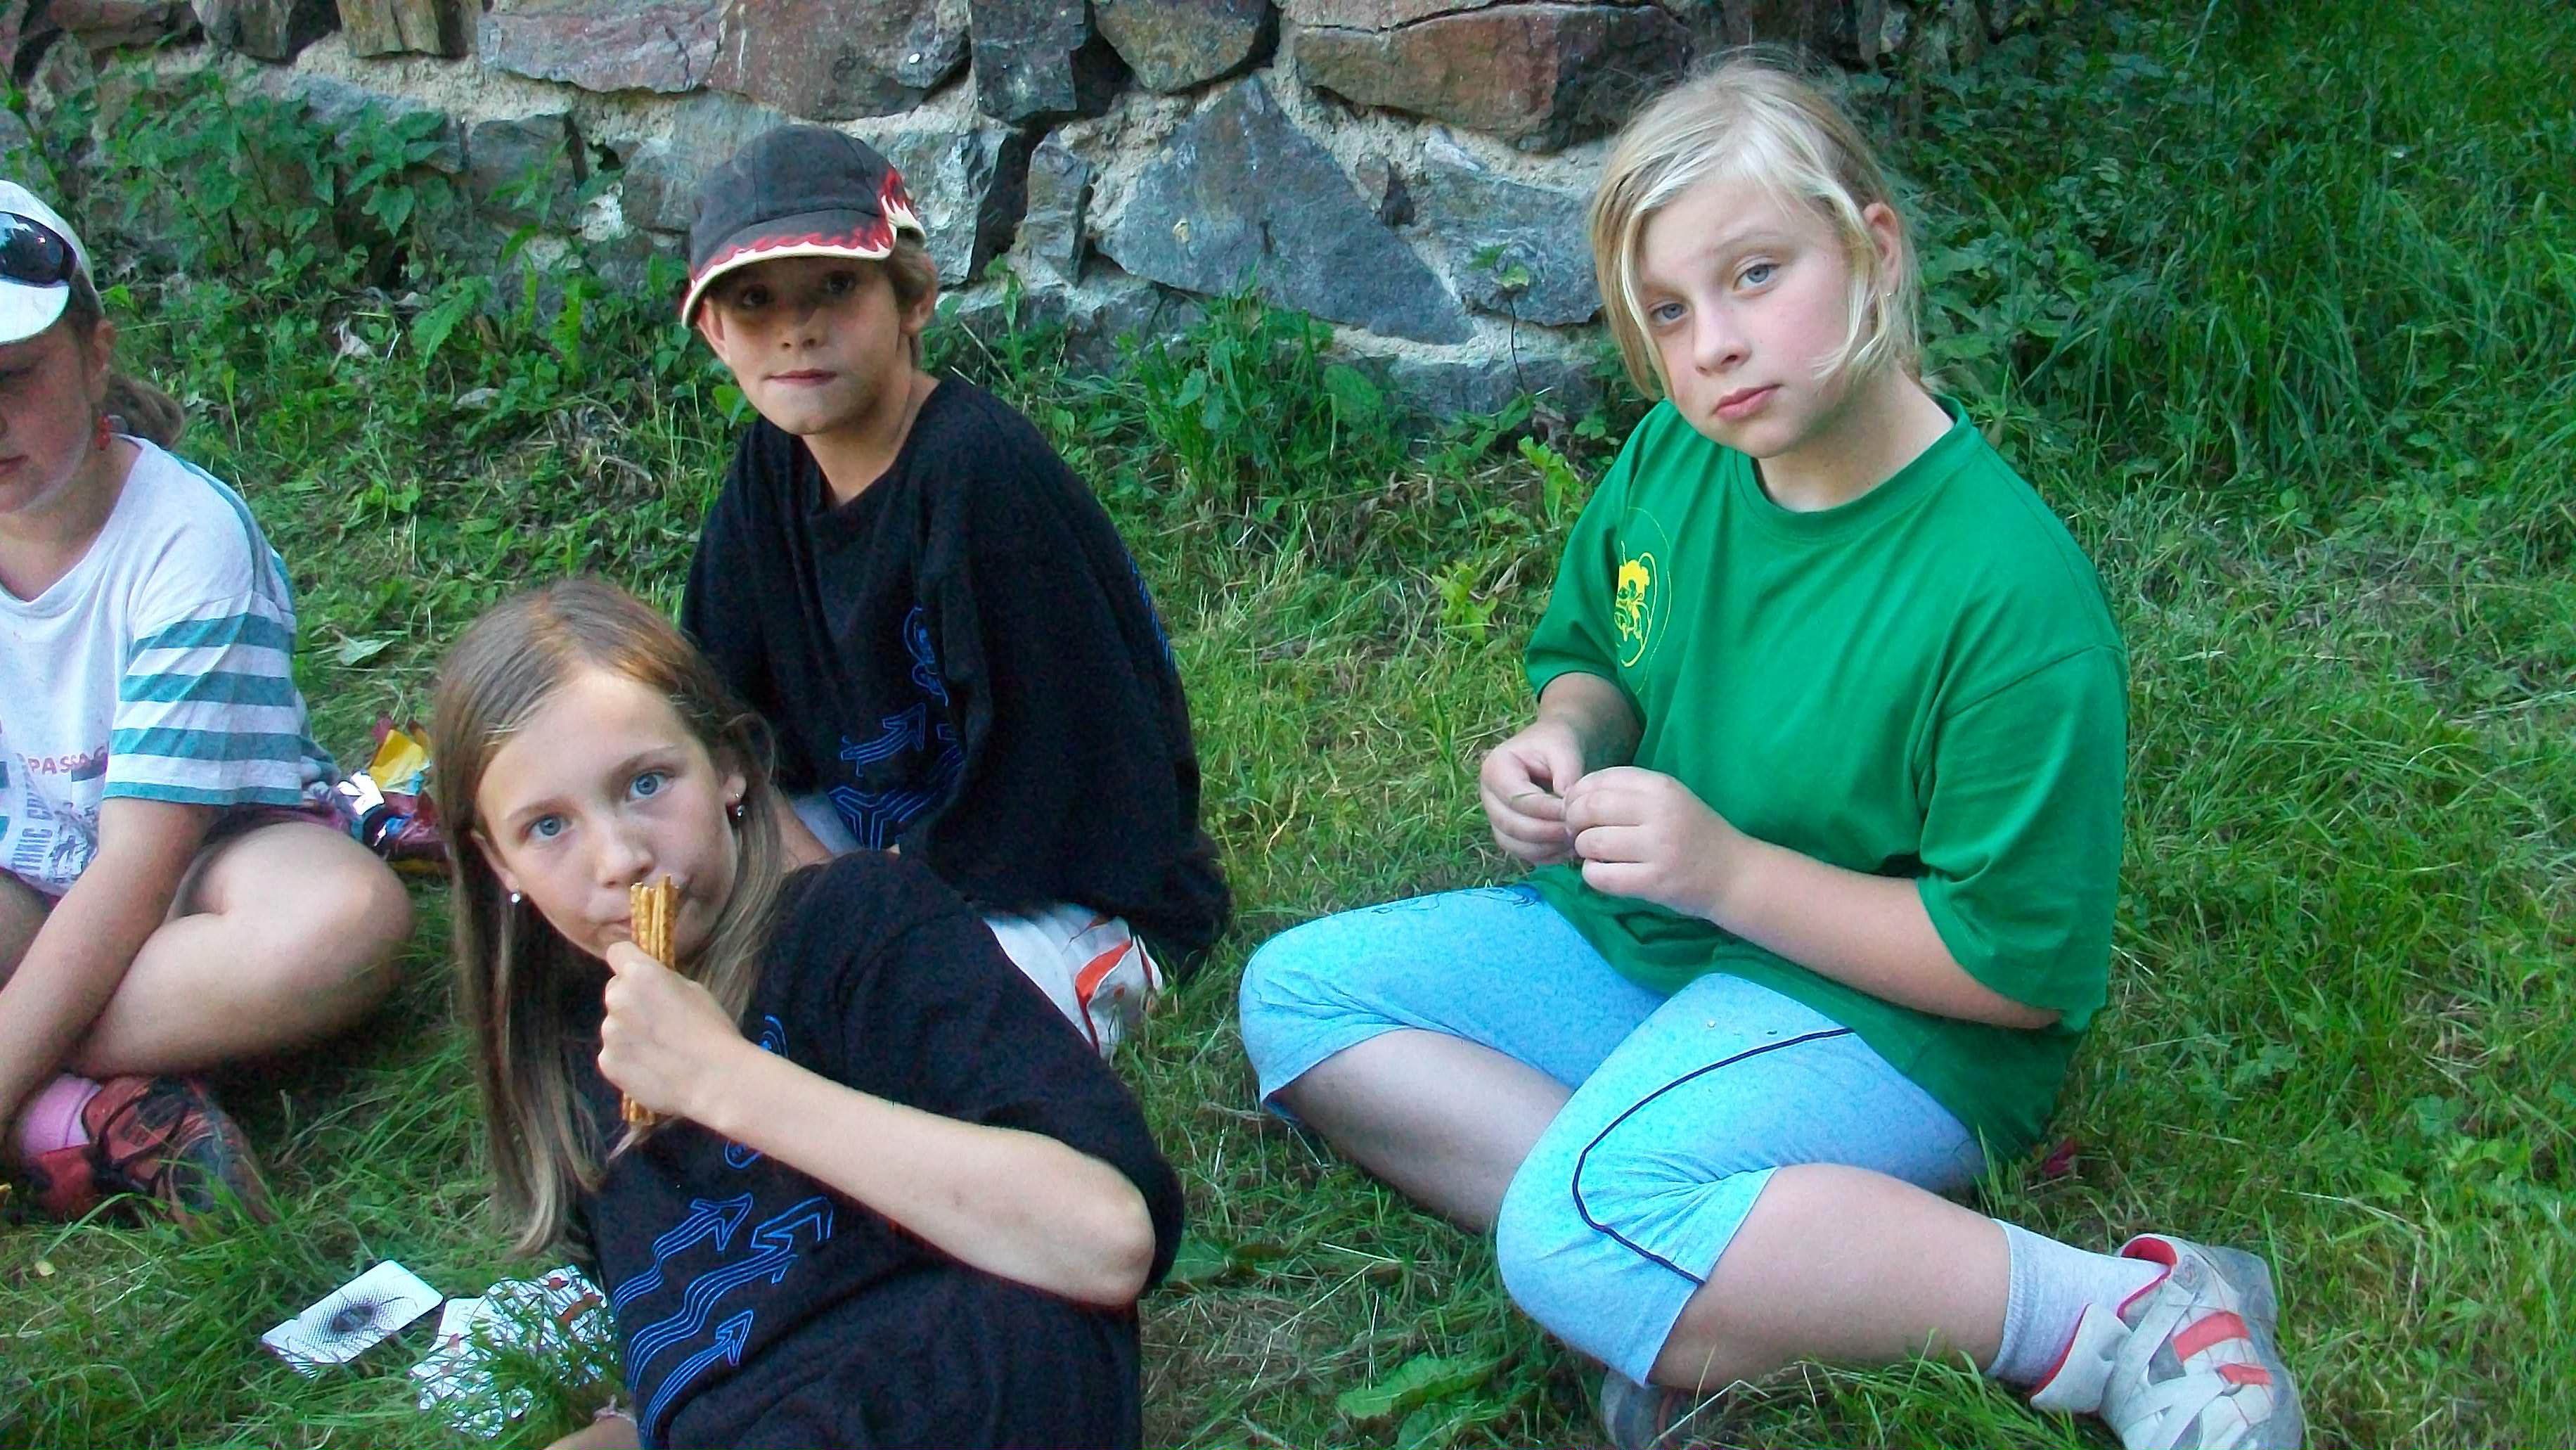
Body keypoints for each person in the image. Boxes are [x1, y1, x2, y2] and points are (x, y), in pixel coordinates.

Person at [1237, 56, 2300, 1450]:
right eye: (1668, 311)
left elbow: (2009, 974)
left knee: (1569, 1220)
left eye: (1753, 275)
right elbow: (1595, 653)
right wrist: (1560, 736)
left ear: (1871, 253)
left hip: (1894, 1024)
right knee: (1296, 997)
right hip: (1661, 951)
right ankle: (1715, 1264)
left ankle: (2119, 1310)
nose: (1713, 347)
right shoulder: (1675, 464)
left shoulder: (2007, 600)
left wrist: (1727, 872)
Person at [432, 578, 1184, 1450]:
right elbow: (720, 1356)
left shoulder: (856, 928)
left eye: (647, 782)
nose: (620, 857)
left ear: (731, 767)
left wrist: (727, 1080)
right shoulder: (574, 1064)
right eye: (547, 828)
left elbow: (1106, 1239)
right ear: (499, 864)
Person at [673, 125, 1228, 1056]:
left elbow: (1049, 783)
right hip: (870, 844)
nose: (797, 329)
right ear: (713, 331)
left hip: (1048, 886)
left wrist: (847, 916)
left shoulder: (979, 473)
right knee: (677, 880)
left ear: (914, 297)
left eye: (836, 286)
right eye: (755, 300)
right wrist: (811, 885)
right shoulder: (771, 468)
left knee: (899, 1041)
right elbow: (718, 714)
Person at [0, 179, 411, 1224]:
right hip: (27, 869)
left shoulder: (186, 539)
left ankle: (43, 1091)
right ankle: (85, 1112)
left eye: (14, 375)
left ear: (95, 356)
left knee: (343, 922)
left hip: (208, 859)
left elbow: (139, 864)